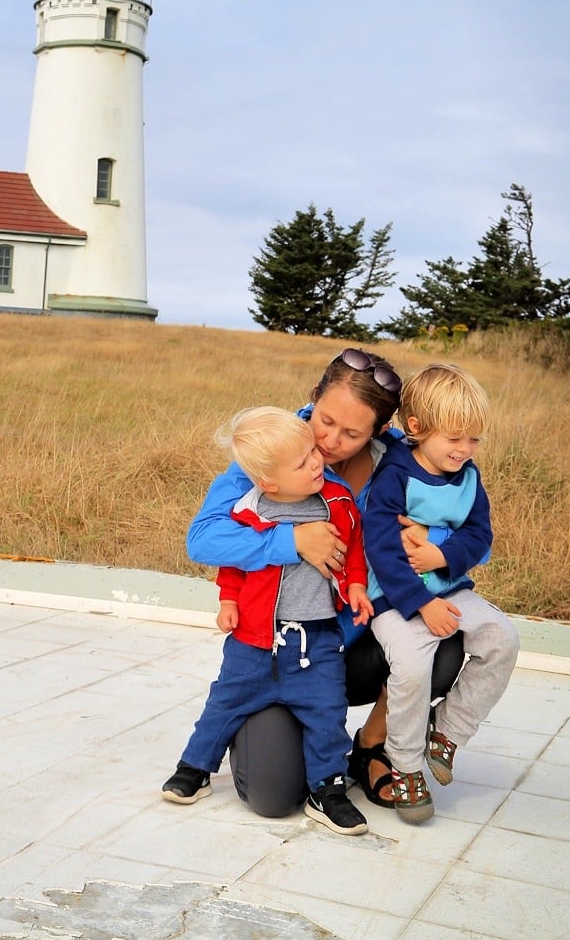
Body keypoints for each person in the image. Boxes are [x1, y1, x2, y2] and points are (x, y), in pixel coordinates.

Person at [183, 347, 464, 816]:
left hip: (361, 645)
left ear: (379, 431)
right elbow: (203, 538)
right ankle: (258, 728)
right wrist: (293, 540)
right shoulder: (275, 448)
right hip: (288, 654)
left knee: (444, 640)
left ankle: (373, 745)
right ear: (313, 398)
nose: (331, 440)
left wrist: (432, 540)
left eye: (352, 432)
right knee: (274, 798)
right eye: (325, 420)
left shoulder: (403, 463)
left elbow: (474, 536)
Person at [162, 406, 373, 836]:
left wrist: (355, 585)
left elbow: (352, 548)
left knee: (327, 713)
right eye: (303, 462)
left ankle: (328, 790)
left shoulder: (336, 503)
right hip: (253, 642)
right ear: (269, 481)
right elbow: (231, 566)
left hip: (316, 643)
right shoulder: (249, 512)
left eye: (313, 452)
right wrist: (227, 601)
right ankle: (195, 768)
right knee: (223, 703)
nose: (318, 461)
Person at [364, 362, 520, 823]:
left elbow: (479, 537)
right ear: (417, 428)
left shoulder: (469, 478)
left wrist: (441, 554)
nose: (465, 449)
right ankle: (406, 766)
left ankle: (448, 731)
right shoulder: (395, 474)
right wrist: (421, 601)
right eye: (455, 438)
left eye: (474, 439)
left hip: (449, 584)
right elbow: (381, 546)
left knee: (502, 638)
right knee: (411, 668)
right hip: (395, 598)